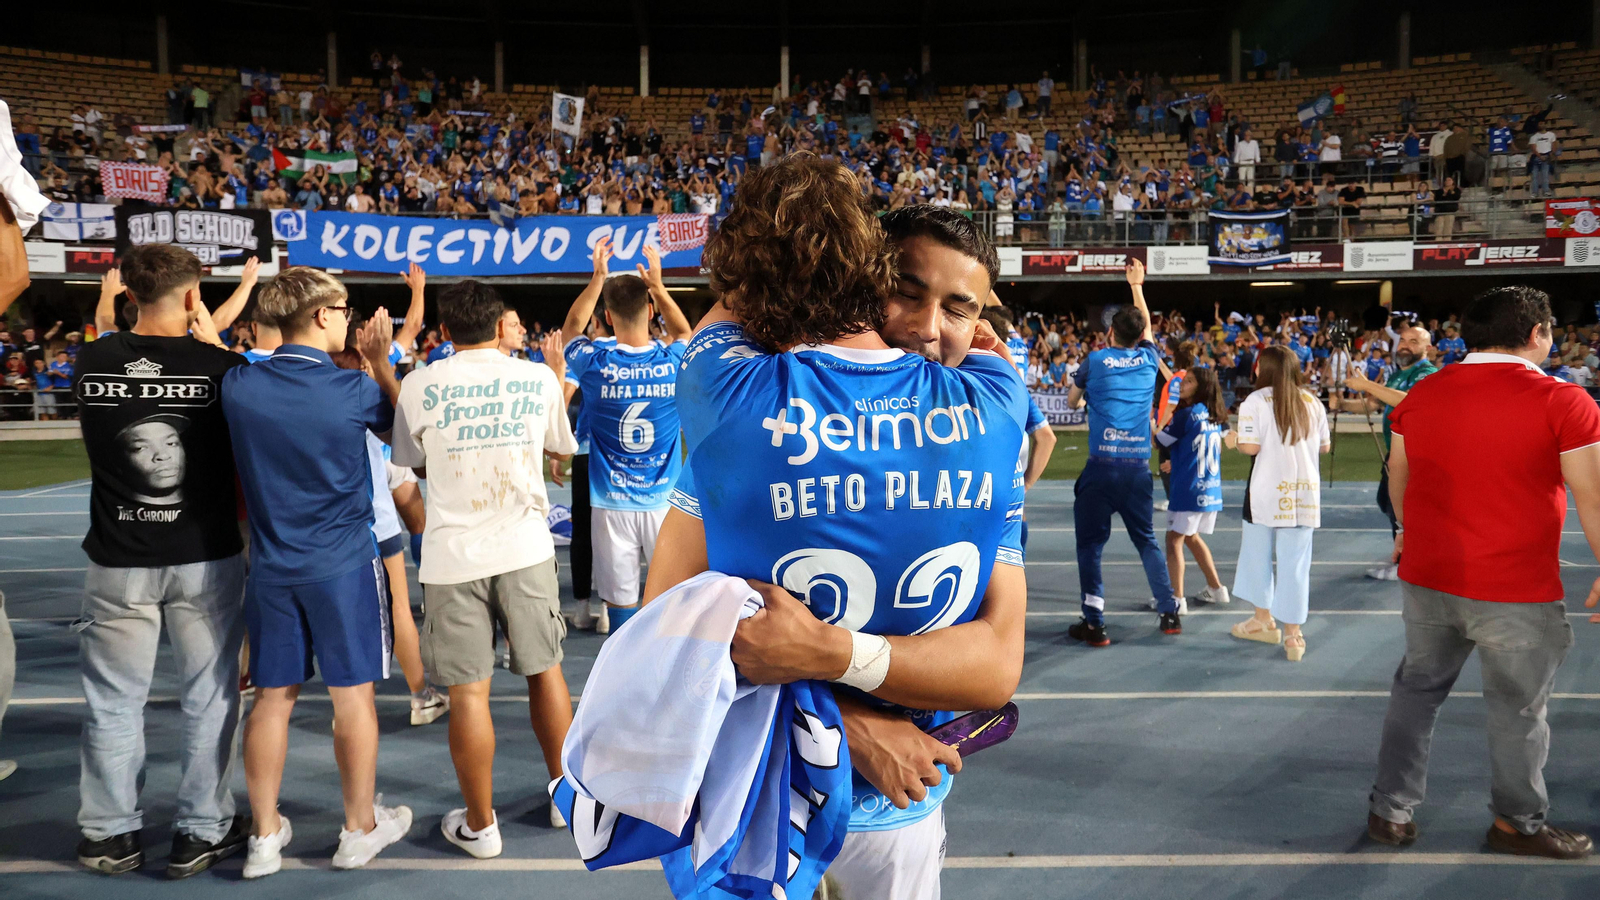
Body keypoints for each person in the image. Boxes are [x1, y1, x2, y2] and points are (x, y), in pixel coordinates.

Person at [642, 153, 1029, 900]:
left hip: (760, 797)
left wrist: (823, 653)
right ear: (864, 279)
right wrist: (852, 721)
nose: (925, 329)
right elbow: (674, 624)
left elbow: (995, 666)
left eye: (959, 308)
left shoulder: (728, 400)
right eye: (905, 293)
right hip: (848, 794)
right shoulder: (998, 403)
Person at [1367, 285, 1600, 860]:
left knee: (1416, 693)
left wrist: (1404, 534)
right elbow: (1592, 494)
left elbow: (1400, 476)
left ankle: (1389, 811)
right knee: (1518, 711)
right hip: (1516, 587)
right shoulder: (1564, 400)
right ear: (1536, 333)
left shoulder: (1421, 393)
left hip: (1429, 577)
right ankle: (1516, 824)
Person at [221, 268, 412, 878]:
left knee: (272, 701)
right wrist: (380, 363)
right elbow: (413, 435)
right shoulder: (351, 387)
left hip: (272, 568)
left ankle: (264, 837)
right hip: (343, 566)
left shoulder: (240, 385)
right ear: (325, 316)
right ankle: (358, 828)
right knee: (351, 697)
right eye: (346, 309)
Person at [69, 243, 249, 878]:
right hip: (204, 554)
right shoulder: (222, 368)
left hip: (118, 557)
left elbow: (111, 347)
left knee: (114, 701)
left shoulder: (92, 359)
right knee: (209, 696)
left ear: (129, 296)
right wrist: (222, 348)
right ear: (195, 296)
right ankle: (202, 827)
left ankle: (109, 834)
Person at [390, 281, 579, 856]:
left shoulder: (419, 384)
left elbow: (409, 461)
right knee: (545, 672)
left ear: (443, 331)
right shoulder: (536, 377)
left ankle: (481, 825)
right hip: (525, 549)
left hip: (451, 558)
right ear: (500, 325)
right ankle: (566, 801)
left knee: (469, 695)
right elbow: (561, 453)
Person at [559, 240, 692, 634]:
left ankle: (623, 684)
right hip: (663, 505)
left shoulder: (595, 364)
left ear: (608, 317)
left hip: (610, 504)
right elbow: (684, 330)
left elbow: (570, 330)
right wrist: (660, 286)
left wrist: (598, 277)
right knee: (674, 603)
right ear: (650, 311)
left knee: (620, 611)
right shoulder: (672, 362)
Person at [1065, 258, 1181, 645]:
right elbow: (1146, 326)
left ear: (1110, 331)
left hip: (1101, 467)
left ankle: (1094, 621)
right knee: (1146, 540)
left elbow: (1069, 402)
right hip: (1136, 469)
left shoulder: (1095, 360)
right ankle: (1169, 612)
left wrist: (1084, 397)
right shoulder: (1150, 360)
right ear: (1140, 336)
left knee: (1090, 546)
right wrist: (1138, 285)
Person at [1228, 345, 1331, 662]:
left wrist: (1231, 439)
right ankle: (1293, 636)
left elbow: (1249, 446)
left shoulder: (1255, 401)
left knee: (1256, 555)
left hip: (1265, 492)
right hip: (1303, 494)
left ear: (1264, 368)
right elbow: (1325, 447)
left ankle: (1262, 620)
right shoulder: (1312, 401)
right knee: (1296, 566)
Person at [1331, 324, 1436, 580]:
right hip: (1394, 453)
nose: (1405, 345)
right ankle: (1406, 557)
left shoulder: (1427, 373)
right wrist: (1343, 403)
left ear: (1428, 349)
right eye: (1403, 340)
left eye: (1413, 341)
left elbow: (1412, 400)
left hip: (1412, 454)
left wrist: (1367, 385)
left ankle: (1406, 563)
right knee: (1386, 502)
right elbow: (1373, 404)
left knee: (1399, 508)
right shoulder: (1397, 375)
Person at [1156, 365, 1232, 608]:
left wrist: (1151, 420)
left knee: (1173, 541)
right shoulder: (1215, 415)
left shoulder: (1186, 414)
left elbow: (1159, 441)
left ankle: (1176, 599)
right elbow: (1203, 448)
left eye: (1188, 381)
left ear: (1201, 387)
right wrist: (1177, 462)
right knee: (1191, 537)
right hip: (1209, 488)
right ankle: (1216, 588)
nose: (1182, 384)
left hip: (1189, 488)